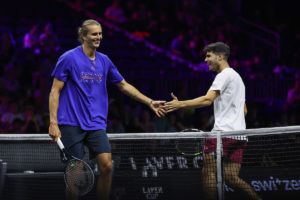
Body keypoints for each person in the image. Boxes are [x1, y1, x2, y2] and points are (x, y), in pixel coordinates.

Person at [48, 19, 166, 200]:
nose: (99, 37)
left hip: (96, 124)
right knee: (75, 171)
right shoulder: (69, 58)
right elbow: (55, 91)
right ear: (84, 36)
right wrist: (53, 123)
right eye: (94, 34)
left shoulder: (105, 60)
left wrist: (149, 102)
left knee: (107, 166)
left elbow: (124, 85)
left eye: (100, 33)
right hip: (71, 123)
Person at [163, 42, 261, 200]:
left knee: (208, 172)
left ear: (220, 56)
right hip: (240, 135)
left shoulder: (223, 75)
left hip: (221, 135)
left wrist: (179, 104)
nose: (205, 60)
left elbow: (208, 100)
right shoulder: (238, 78)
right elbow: (245, 110)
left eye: (209, 56)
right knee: (231, 177)